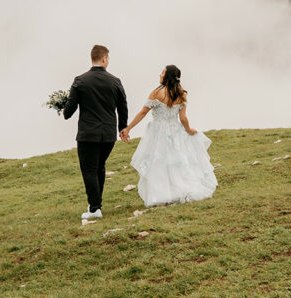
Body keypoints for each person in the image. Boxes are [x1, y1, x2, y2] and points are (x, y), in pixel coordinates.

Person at [120, 65, 217, 207]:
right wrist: (189, 130)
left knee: (159, 163)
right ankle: (180, 189)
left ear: (167, 76)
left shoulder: (157, 92)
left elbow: (143, 112)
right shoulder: (181, 94)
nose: (160, 74)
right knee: (176, 162)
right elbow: (183, 119)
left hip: (158, 132)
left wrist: (128, 128)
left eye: (162, 72)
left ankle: (162, 194)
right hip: (175, 132)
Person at [63, 45, 128, 220]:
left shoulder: (80, 81)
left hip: (88, 134)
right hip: (108, 135)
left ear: (92, 58)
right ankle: (96, 204)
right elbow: (123, 107)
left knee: (90, 170)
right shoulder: (116, 81)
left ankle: (94, 209)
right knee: (100, 167)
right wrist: (123, 128)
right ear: (104, 59)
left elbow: (68, 112)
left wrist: (64, 105)